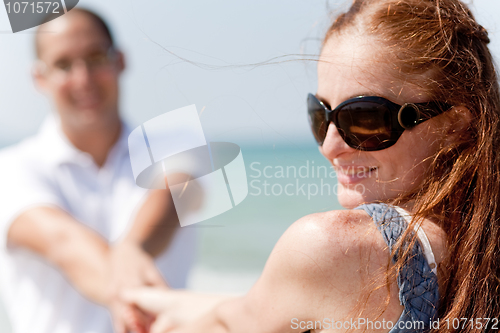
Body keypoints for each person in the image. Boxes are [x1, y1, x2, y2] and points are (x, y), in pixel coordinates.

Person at [122, 0, 500, 332]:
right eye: (321, 116)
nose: (330, 146)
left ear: (455, 125)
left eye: (364, 119)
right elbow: (248, 307)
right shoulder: (479, 249)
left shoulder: (333, 248)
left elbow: (234, 321)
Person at [0, 8, 196, 333]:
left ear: (119, 60)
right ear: (40, 78)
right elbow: (62, 243)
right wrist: (128, 266)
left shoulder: (177, 145)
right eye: (63, 65)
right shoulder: (10, 168)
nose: (83, 79)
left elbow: (172, 197)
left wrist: (131, 248)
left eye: (95, 58)